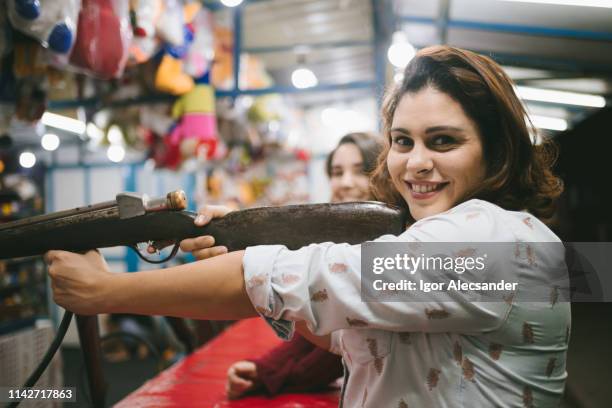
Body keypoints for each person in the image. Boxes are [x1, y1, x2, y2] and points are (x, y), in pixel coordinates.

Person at [45, 45, 569, 407]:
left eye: (444, 142)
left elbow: (296, 279)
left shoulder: (488, 244)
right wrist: (247, 234)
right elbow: (352, 334)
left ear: (496, 150)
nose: (415, 163)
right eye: (403, 142)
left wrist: (104, 291)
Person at [222, 132, 383, 399]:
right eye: (336, 172)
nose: (345, 183)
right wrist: (263, 368)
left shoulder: (391, 248)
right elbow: (324, 331)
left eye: (360, 171)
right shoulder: (344, 242)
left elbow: (335, 348)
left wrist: (268, 375)